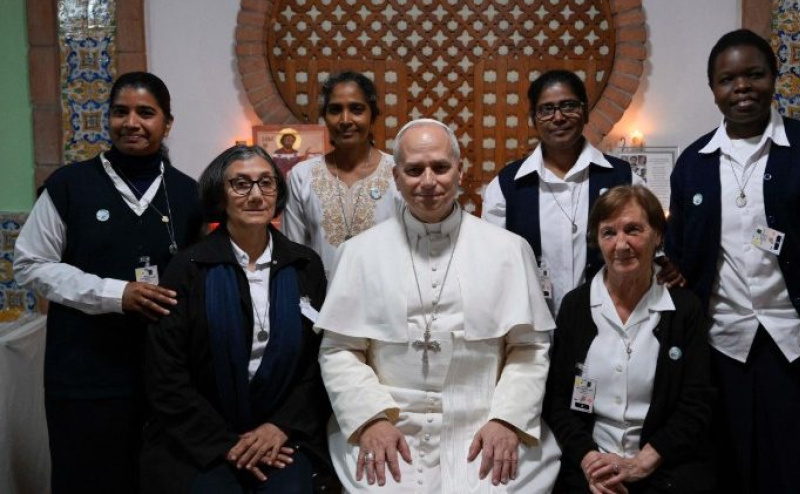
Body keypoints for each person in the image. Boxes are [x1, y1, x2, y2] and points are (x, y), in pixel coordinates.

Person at [665, 29, 800, 493]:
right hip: (723, 347)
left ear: (774, 78)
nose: (741, 87)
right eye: (727, 79)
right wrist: (670, 267)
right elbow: (682, 251)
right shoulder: (694, 162)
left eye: (754, 74)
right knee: (731, 468)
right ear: (712, 88)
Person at [316, 119, 561, 492]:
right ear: (396, 178)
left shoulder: (509, 250)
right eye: (414, 170)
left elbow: (529, 348)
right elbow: (339, 350)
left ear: (460, 172)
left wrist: (508, 420)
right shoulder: (358, 253)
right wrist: (370, 420)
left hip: (483, 421)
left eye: (440, 167)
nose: (428, 181)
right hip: (390, 425)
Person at [13, 71, 202, 493]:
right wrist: (116, 294)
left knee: (158, 480)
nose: (131, 122)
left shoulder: (188, 193)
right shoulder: (69, 186)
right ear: (108, 119)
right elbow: (30, 264)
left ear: (167, 123)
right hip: (84, 373)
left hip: (165, 378)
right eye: (120, 112)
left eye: (145, 113)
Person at [141, 145, 335, 493]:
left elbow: (319, 362)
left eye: (267, 183)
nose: (257, 195)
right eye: (241, 184)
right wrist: (222, 442)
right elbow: (165, 371)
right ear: (220, 194)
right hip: (200, 436)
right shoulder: (189, 268)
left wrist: (280, 427)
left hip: (283, 433)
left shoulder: (305, 265)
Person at [544, 186, 714, 494]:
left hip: (666, 467)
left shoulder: (685, 309)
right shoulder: (575, 307)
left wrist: (643, 463)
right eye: (608, 233)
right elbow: (557, 400)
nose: (621, 244)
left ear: (658, 236)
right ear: (597, 241)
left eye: (633, 230)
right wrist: (589, 460)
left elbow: (698, 402)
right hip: (589, 468)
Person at [482, 70, 679, 316]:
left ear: (585, 112)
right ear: (533, 119)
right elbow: (492, 260)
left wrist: (666, 262)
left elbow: (651, 243)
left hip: (608, 321)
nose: (558, 117)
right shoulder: (508, 185)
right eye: (546, 109)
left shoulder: (623, 178)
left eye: (569, 106)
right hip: (531, 323)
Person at [283, 71, 400, 277]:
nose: (345, 120)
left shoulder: (398, 174)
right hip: (322, 304)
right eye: (335, 110)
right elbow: (293, 254)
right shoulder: (301, 177)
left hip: (385, 301)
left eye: (356, 109)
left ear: (373, 116)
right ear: (325, 117)